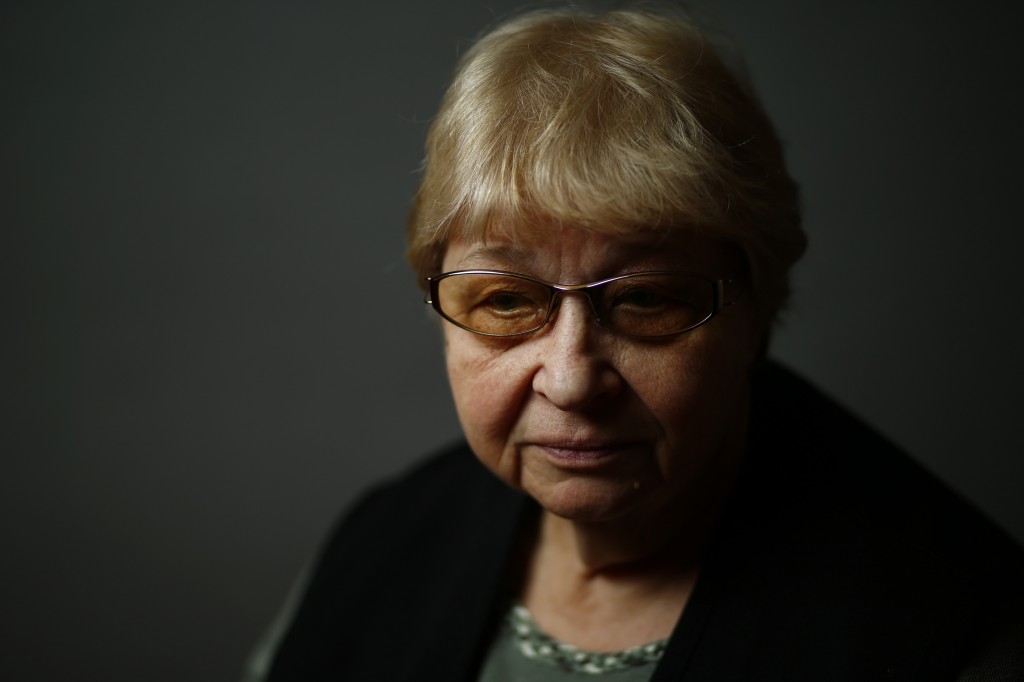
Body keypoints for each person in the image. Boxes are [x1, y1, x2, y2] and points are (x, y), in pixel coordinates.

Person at [250, 6, 1024, 680]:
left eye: (647, 301)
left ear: (753, 313)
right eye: (508, 301)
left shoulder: (952, 629)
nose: (572, 380)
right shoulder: (384, 543)